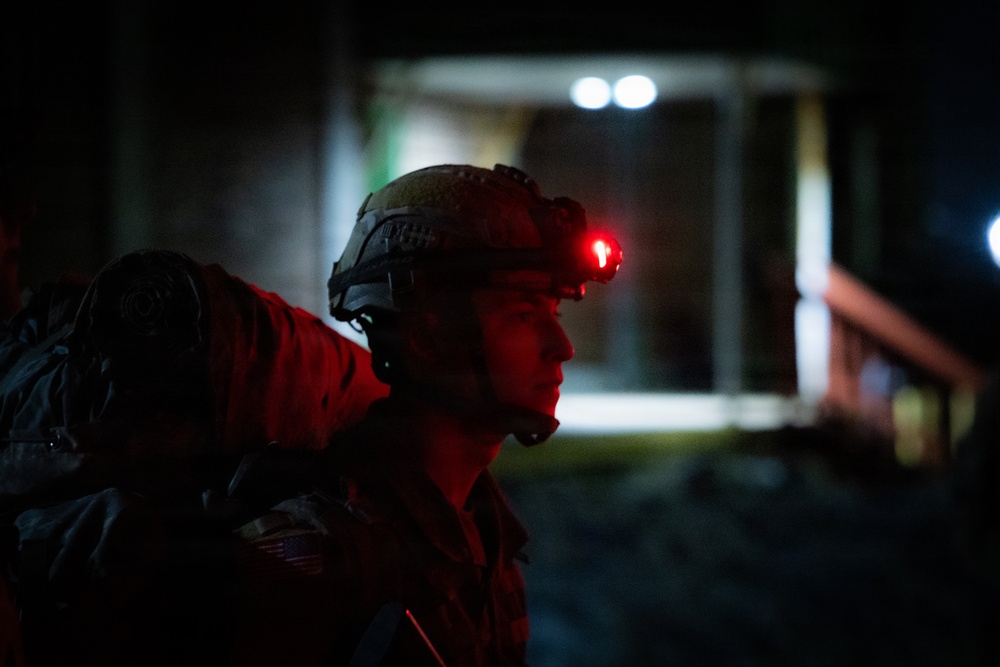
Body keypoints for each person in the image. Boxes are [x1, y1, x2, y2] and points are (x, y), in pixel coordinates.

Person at [230, 163, 621, 666]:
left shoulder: (488, 540)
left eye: (553, 313)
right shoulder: (319, 559)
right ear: (425, 337)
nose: (562, 347)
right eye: (523, 315)